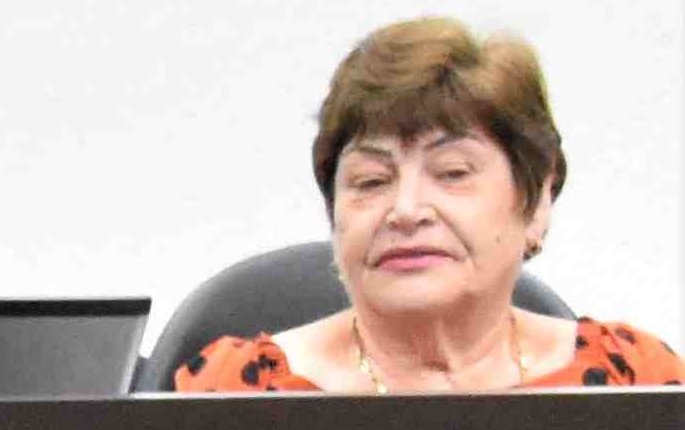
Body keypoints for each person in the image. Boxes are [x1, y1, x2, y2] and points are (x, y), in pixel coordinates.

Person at [173, 20, 673, 393]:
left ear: (537, 202)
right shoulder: (235, 390)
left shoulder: (635, 380)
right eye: (371, 181)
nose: (406, 210)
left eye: (452, 173)